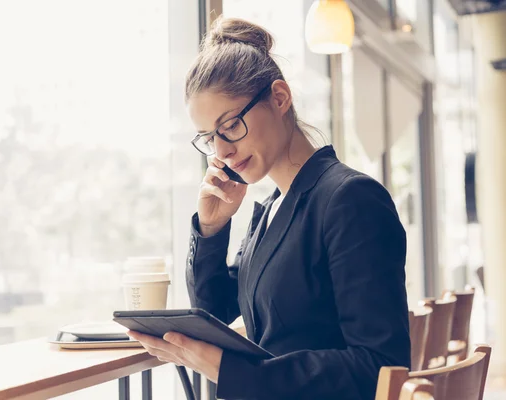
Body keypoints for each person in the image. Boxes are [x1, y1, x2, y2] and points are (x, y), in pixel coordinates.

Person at [127, 17, 410, 400]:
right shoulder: (271, 209)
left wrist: (235, 373)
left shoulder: (350, 199)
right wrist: (210, 229)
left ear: (279, 98)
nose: (222, 150)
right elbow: (217, 312)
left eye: (230, 126)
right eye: (210, 138)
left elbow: (379, 366)